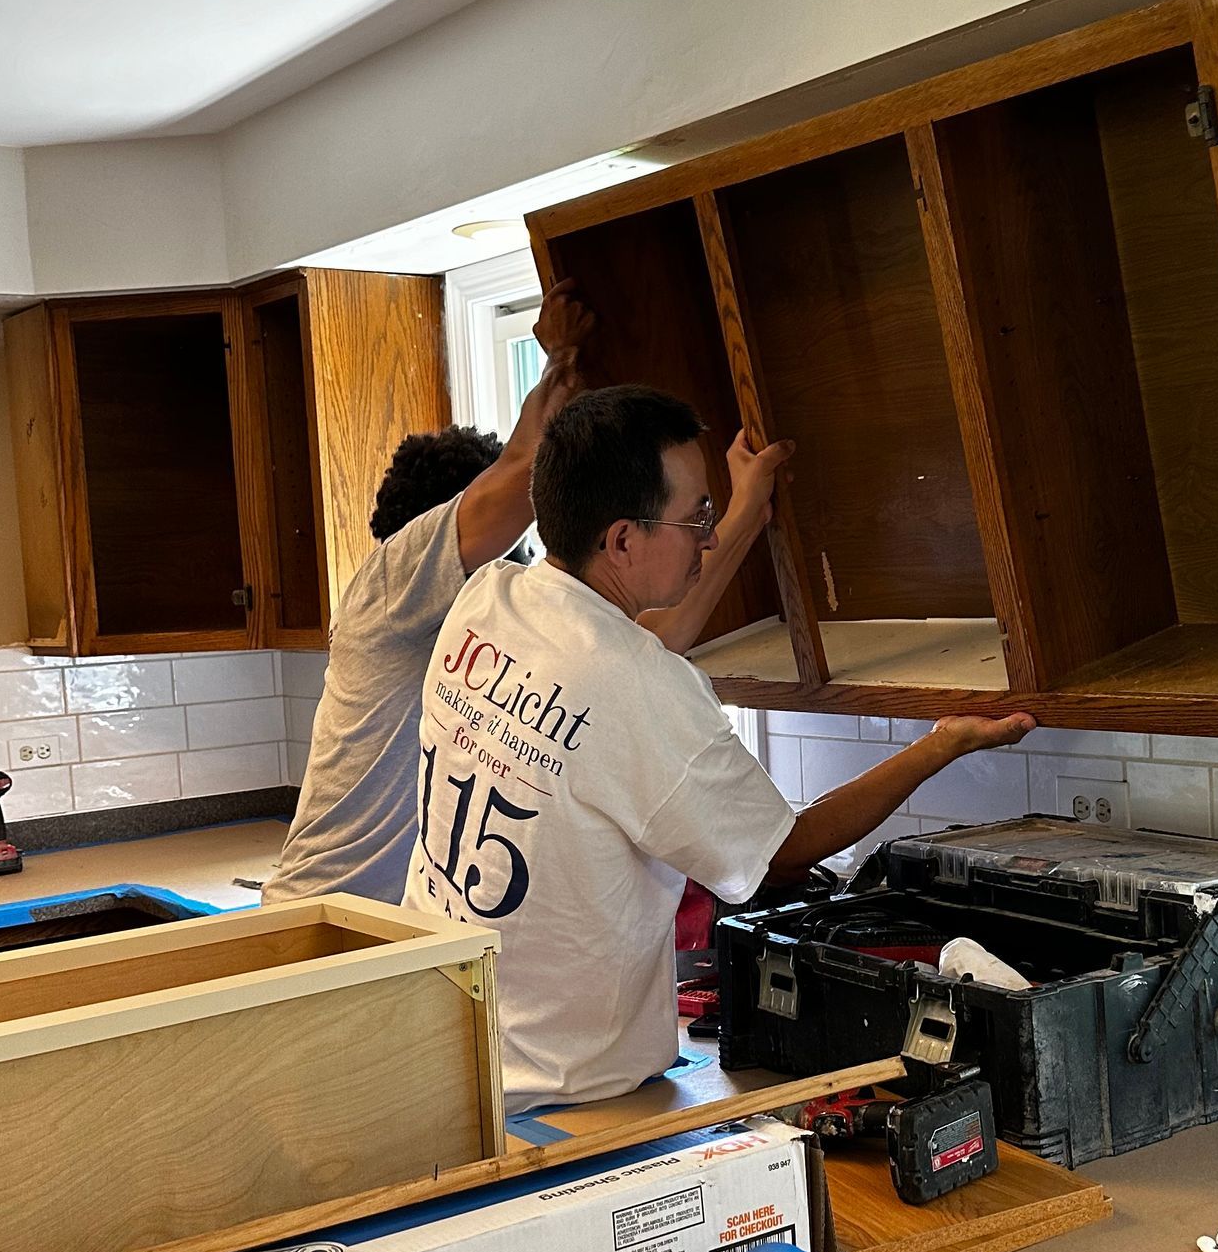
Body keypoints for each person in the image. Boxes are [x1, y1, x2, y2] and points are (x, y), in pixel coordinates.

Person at [403, 384, 1033, 1108]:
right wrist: (940, 746)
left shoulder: (489, 598)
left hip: (437, 1040)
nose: (707, 537)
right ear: (622, 540)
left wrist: (744, 511)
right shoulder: (638, 686)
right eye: (697, 516)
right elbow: (783, 852)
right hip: (563, 1092)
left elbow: (629, 650)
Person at [264, 304, 789, 905]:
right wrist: (558, 363)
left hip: (402, 929)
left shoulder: (499, 628)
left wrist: (744, 514)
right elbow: (519, 475)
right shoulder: (393, 581)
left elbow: (646, 642)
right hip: (327, 920)